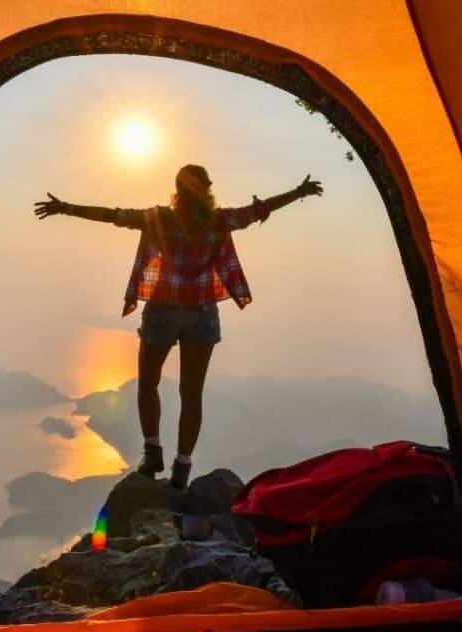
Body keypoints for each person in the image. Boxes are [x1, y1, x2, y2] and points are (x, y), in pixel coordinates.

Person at [35, 165, 322, 489]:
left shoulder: (160, 219)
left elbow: (113, 215)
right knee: (192, 394)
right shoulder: (220, 221)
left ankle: (153, 451)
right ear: (207, 190)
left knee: (148, 383)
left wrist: (66, 208)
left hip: (163, 311)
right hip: (201, 314)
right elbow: (261, 209)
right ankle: (182, 469)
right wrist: (299, 192)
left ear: (178, 190)